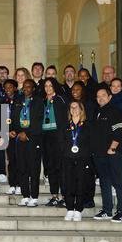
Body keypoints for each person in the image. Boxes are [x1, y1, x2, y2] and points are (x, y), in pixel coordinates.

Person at [92, 88, 122, 223]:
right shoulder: (96, 112)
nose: (100, 98)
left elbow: (121, 131)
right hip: (99, 155)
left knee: (118, 183)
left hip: (112, 153)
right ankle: (107, 210)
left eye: (103, 95)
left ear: (109, 97)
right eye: (98, 96)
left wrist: (112, 148)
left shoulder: (115, 112)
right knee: (104, 182)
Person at [11, 79, 44, 207]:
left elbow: (39, 120)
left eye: (29, 87)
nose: (26, 89)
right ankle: (25, 195)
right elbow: (14, 118)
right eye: (24, 87)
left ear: (33, 88)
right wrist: (17, 131)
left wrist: (28, 133)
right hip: (20, 138)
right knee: (22, 167)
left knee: (34, 168)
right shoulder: (18, 100)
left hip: (33, 138)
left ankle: (34, 196)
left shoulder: (38, 101)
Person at [62, 101, 92, 221]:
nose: (74, 109)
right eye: (71, 107)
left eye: (76, 107)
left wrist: (85, 154)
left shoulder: (87, 125)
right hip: (68, 158)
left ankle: (78, 209)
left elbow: (90, 142)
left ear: (81, 109)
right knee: (68, 184)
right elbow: (61, 141)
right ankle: (69, 209)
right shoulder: (65, 125)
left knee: (81, 184)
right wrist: (65, 153)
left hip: (82, 159)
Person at [71, 81, 98, 208]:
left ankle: (89, 198)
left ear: (83, 91)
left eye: (78, 89)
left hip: (86, 143)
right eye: (73, 90)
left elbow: (92, 124)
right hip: (72, 145)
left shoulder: (90, 104)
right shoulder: (70, 105)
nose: (75, 91)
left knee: (87, 174)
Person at [42, 78, 68, 207]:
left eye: (50, 85)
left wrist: (64, 138)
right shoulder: (42, 101)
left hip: (59, 137)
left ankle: (64, 196)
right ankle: (54, 196)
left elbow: (65, 119)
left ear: (54, 86)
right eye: (46, 86)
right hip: (46, 137)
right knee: (50, 167)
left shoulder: (60, 99)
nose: (48, 88)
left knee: (60, 167)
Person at [2, 79, 21, 196]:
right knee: (11, 161)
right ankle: (12, 184)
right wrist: (7, 132)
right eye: (6, 88)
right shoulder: (3, 102)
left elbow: (23, 118)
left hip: (18, 135)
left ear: (15, 88)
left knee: (20, 161)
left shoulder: (21, 100)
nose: (8, 89)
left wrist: (17, 131)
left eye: (10, 87)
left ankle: (19, 184)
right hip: (8, 135)